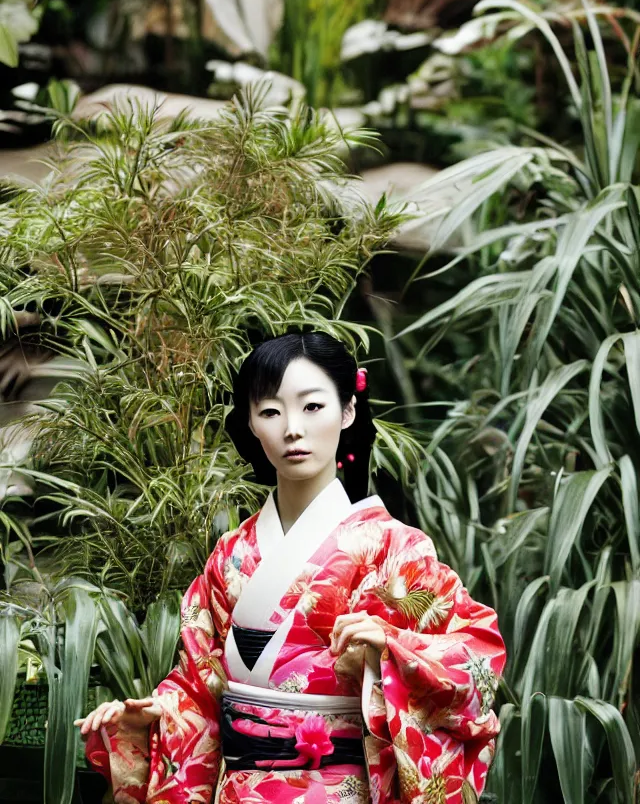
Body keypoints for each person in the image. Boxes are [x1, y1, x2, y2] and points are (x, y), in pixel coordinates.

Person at [75, 331, 506, 804]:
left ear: (348, 411)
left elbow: (477, 658)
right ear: (253, 424)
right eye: (271, 411)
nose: (292, 429)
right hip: (239, 792)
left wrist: (395, 647)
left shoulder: (397, 550)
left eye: (312, 407)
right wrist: (153, 718)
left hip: (340, 792)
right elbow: (200, 689)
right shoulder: (230, 556)